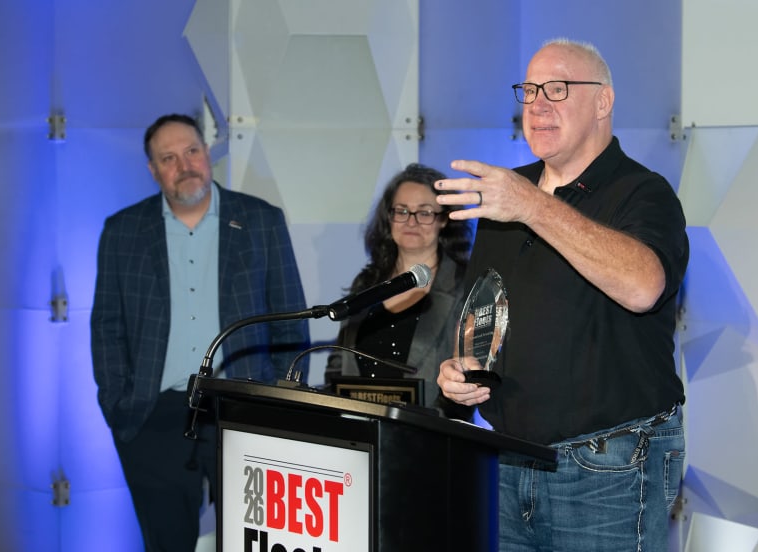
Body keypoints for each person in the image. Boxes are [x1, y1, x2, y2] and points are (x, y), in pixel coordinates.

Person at [435, 39, 689, 551]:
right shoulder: (508, 193)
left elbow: (644, 287)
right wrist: (461, 369)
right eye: (529, 90)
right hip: (508, 460)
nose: (537, 105)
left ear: (603, 101)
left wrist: (532, 206)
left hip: (609, 470)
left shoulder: (644, 192)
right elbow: (487, 311)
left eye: (557, 89)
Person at [90, 113, 310, 552]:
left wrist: (281, 403)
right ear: (153, 170)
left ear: (207, 154)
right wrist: (119, 401)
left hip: (245, 409)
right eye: (168, 158)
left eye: (191, 151)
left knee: (257, 542)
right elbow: (107, 326)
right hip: (154, 418)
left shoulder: (261, 221)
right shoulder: (123, 231)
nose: (184, 165)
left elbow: (289, 320)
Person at [325, 163, 473, 418]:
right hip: (359, 432)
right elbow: (338, 365)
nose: (411, 221)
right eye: (402, 211)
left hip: (432, 435)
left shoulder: (465, 286)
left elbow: (468, 379)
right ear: (389, 218)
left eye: (424, 212)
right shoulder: (367, 282)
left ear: (444, 220)